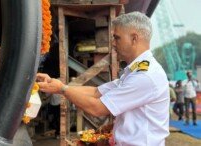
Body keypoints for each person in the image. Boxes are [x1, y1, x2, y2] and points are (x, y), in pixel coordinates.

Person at [36, 12, 169, 146]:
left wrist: (62, 89)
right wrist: (58, 86)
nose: (113, 44)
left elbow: (97, 108)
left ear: (134, 38)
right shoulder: (135, 71)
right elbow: (96, 92)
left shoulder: (144, 76)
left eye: (117, 38)